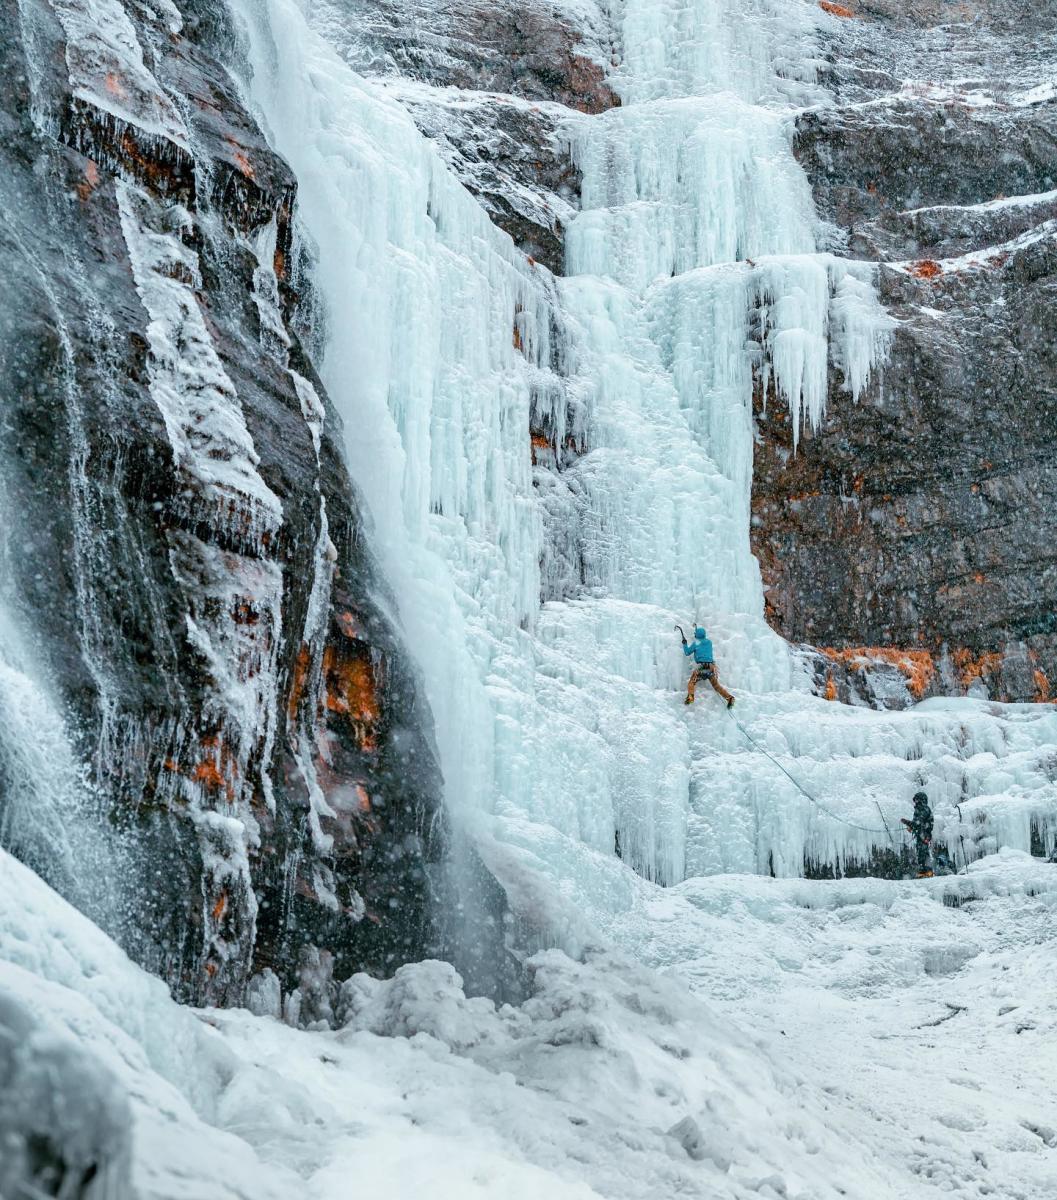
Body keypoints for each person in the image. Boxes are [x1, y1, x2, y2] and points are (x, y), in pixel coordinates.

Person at [681, 625, 734, 708]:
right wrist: (697, 632)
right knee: (716, 686)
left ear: (697, 635)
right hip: (711, 668)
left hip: (700, 668)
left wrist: (685, 644)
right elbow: (701, 640)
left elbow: (687, 652)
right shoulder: (709, 642)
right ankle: (729, 698)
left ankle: (691, 696)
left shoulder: (695, 644)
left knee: (692, 682)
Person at [901, 791, 934, 878]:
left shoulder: (924, 808)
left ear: (921, 800)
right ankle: (924, 871)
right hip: (921, 834)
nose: (915, 802)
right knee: (921, 852)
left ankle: (927, 871)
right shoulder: (920, 809)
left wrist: (908, 823)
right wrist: (912, 827)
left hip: (924, 835)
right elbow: (917, 823)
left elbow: (918, 822)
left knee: (923, 852)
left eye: (916, 800)